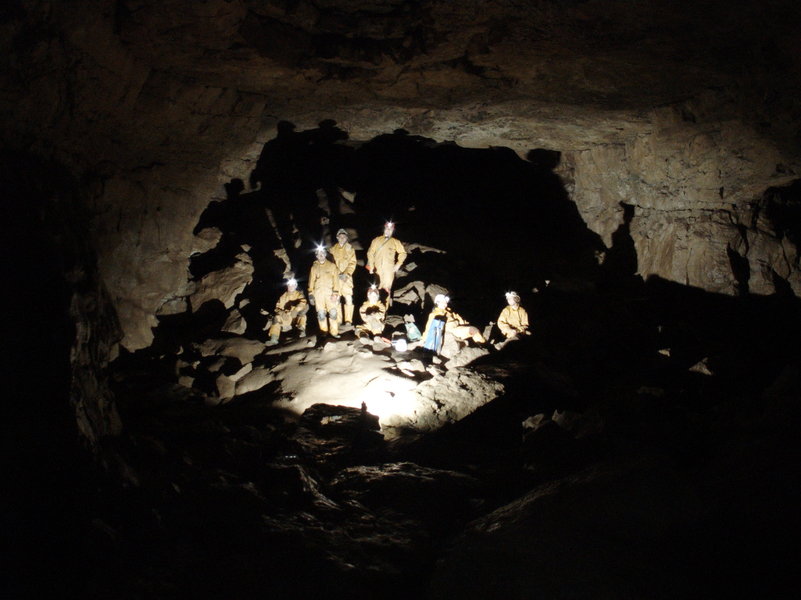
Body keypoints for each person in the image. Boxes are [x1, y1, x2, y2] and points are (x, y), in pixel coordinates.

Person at [366, 221, 407, 298]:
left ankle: (386, 304)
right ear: (384, 229)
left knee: (387, 289)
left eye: (390, 229)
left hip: (389, 269)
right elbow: (370, 253)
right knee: (375, 289)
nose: (388, 230)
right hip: (377, 269)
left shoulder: (395, 241)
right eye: (387, 228)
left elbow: (403, 253)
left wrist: (398, 264)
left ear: (393, 231)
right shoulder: (376, 240)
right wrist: (371, 266)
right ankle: (376, 304)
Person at [308, 246, 341, 338]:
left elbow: (336, 281)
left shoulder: (332, 266)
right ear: (316, 256)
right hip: (318, 294)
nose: (321, 255)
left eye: (322, 253)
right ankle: (324, 332)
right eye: (318, 254)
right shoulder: (314, 267)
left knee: (333, 313)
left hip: (330, 294)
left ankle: (334, 332)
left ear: (325, 254)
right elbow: (311, 281)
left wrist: (335, 293)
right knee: (321, 314)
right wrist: (310, 294)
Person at [264, 278, 308, 346]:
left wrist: (295, 310)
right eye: (289, 285)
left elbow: (303, 303)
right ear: (287, 286)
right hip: (286, 318)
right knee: (276, 317)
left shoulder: (299, 295)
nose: (291, 287)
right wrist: (281, 313)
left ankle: (301, 332)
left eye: (293, 285)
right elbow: (277, 308)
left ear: (295, 286)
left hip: (295, 318)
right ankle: (273, 339)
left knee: (303, 316)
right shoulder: (283, 296)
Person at [329, 228, 357, 326]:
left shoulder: (350, 249)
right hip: (336, 278)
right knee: (336, 299)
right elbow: (331, 264)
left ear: (346, 238)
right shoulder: (332, 250)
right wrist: (337, 273)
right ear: (337, 237)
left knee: (348, 298)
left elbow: (352, 263)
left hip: (346, 279)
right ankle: (339, 321)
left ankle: (348, 320)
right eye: (340, 237)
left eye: (344, 237)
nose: (342, 238)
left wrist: (346, 273)